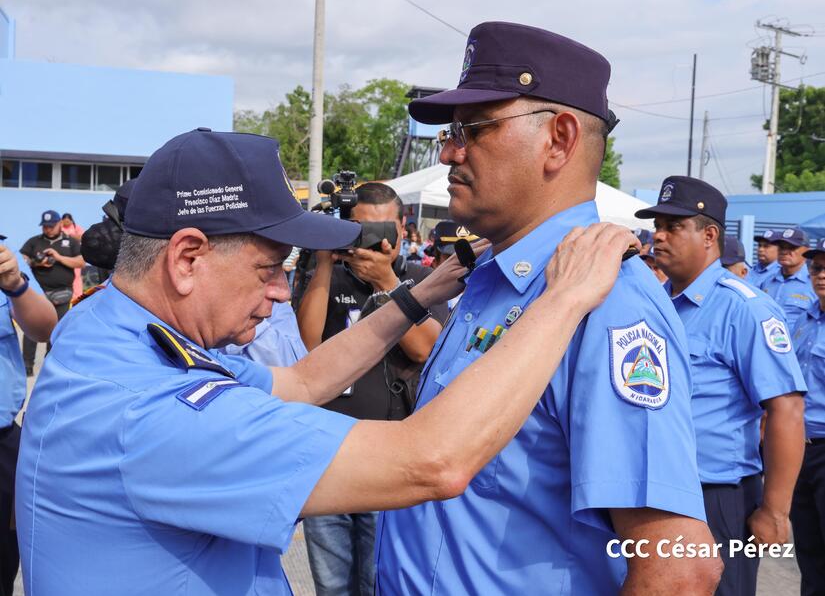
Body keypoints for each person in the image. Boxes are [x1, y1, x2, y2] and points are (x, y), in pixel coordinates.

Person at [15, 128, 635, 596]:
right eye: (269, 270)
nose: (283, 293)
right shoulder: (151, 411)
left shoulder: (109, 328)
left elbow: (302, 381)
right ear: (186, 258)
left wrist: (416, 295)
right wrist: (565, 298)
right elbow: (431, 462)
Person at [375, 22, 721, 595]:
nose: (448, 152)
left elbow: (679, 566)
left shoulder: (607, 301)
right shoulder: (491, 278)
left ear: (558, 140)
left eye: (472, 129)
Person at [636, 176, 806, 596]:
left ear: (709, 235)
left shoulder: (744, 309)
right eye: (658, 224)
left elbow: (785, 408)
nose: (658, 234)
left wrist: (775, 509)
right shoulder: (655, 304)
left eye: (673, 226)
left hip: (718, 497)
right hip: (654, 492)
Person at [295, 182, 448, 596]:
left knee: (378, 579)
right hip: (328, 451)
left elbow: (424, 351)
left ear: (403, 227)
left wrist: (386, 282)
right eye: (359, 229)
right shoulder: (326, 277)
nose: (371, 241)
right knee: (330, 583)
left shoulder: (423, 280)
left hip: (390, 455)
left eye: (381, 230)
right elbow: (307, 345)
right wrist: (325, 263)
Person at [0, 239, 57, 595]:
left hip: (3, 439)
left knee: (4, 559)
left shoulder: (6, 271)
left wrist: (15, 285)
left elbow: (44, 327)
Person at [789, 238, 825, 595]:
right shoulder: (804, 318)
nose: (822, 275)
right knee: (809, 554)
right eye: (816, 267)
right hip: (800, 449)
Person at [18, 210, 84, 375]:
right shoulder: (34, 242)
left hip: (63, 293)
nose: (47, 229)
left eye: (51, 226)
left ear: (59, 224)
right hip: (39, 293)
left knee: (57, 331)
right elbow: (25, 257)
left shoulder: (71, 242)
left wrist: (58, 257)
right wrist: (37, 262)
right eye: (45, 226)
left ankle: (50, 366)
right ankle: (27, 366)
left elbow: (81, 262)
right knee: (32, 329)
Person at [762, 227, 816, 330]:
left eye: (792, 247)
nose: (785, 252)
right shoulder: (767, 281)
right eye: (782, 247)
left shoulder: (814, 285)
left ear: (806, 251)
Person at [61, 212, 85, 299]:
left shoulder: (76, 227)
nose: (66, 223)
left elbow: (82, 237)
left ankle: (77, 296)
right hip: (63, 256)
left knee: (76, 276)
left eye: (68, 221)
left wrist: (71, 236)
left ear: (71, 221)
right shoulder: (59, 228)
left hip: (75, 256)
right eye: (64, 221)